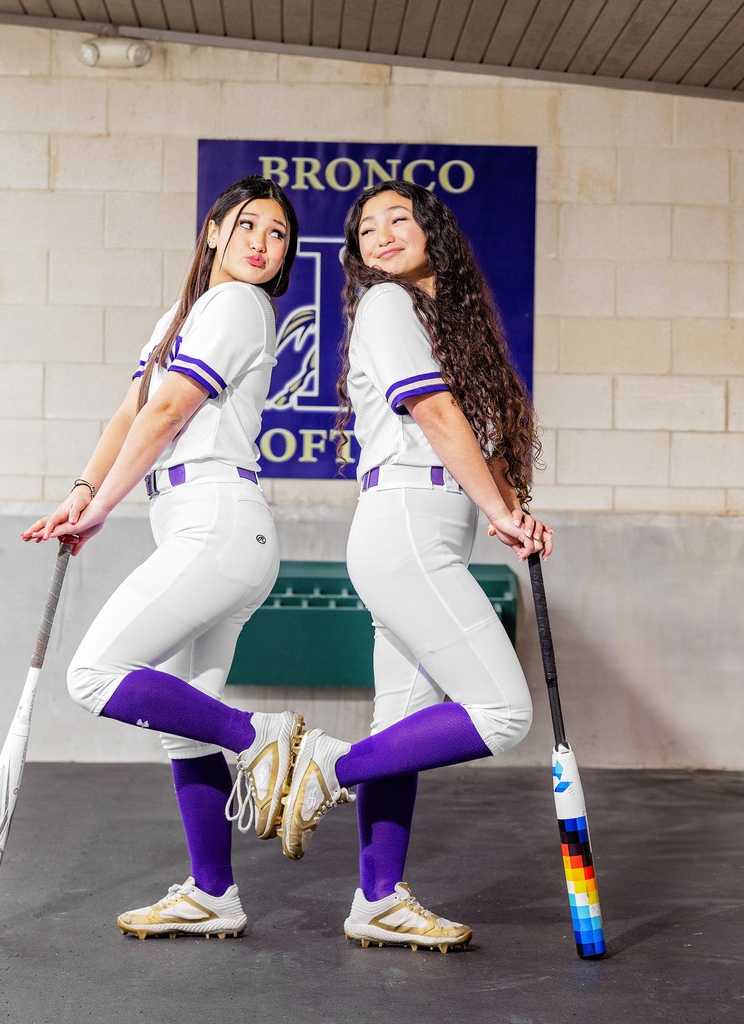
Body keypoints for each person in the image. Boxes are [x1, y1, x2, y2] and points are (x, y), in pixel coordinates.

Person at [22, 176, 303, 940]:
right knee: (185, 728)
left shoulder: (237, 305)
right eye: (248, 225)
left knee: (94, 674)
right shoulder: (184, 314)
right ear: (213, 230)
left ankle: (262, 739)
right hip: (198, 523)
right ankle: (214, 892)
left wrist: (105, 509)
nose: (260, 243)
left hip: (216, 519)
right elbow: (131, 414)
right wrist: (84, 491)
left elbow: (173, 411)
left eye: (277, 235)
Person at [279, 180, 553, 954]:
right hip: (403, 522)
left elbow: (482, 444)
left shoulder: (447, 324)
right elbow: (433, 416)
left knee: (399, 728)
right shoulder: (386, 306)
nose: (383, 233)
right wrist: (497, 511)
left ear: (433, 229)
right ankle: (325, 767)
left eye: (398, 217)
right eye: (367, 227)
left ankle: (376, 900)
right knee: (501, 713)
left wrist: (511, 512)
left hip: (434, 528)